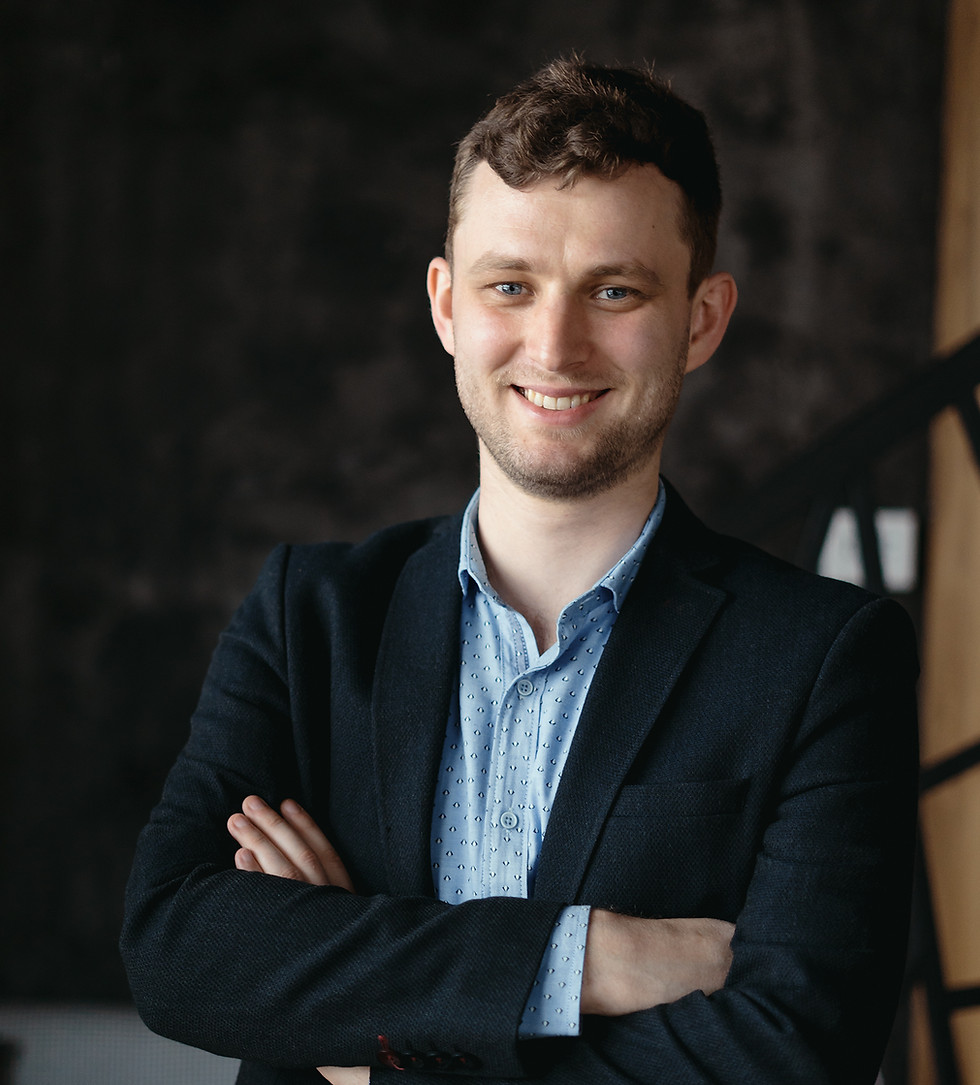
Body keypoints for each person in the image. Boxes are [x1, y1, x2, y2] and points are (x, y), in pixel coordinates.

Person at [121, 57, 919, 1085]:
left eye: (614, 289)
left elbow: (793, 1050)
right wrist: (580, 954)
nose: (554, 343)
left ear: (701, 318)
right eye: (510, 285)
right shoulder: (306, 615)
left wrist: (370, 1029)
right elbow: (176, 948)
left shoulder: (825, 658)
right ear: (447, 305)